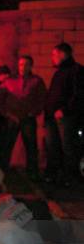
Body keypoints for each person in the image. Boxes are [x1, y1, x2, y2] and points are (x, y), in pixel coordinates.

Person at [0, 56, 47, 181]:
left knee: (31, 147)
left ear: (31, 66)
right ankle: (2, 172)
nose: (23, 67)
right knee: (7, 146)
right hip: (12, 118)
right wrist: (7, 114)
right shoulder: (8, 81)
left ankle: (32, 172)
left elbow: (42, 98)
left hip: (28, 118)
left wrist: (33, 112)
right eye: (21, 64)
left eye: (26, 64)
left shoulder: (37, 81)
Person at [44, 43, 84, 187]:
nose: (52, 58)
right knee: (52, 146)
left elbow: (78, 95)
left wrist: (65, 110)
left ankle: (70, 177)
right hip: (52, 117)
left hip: (66, 118)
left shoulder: (76, 71)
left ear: (62, 54)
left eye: (54, 54)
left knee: (68, 147)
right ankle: (54, 175)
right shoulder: (59, 72)